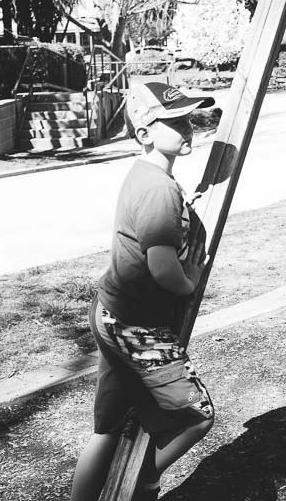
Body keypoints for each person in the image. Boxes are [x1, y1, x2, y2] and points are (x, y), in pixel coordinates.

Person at [70, 82, 217, 501]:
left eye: (187, 118)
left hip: (112, 313)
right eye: (173, 121)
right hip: (135, 325)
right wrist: (189, 285)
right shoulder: (159, 189)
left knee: (109, 428)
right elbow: (163, 268)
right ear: (144, 133)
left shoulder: (148, 177)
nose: (185, 128)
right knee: (196, 416)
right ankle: (141, 483)